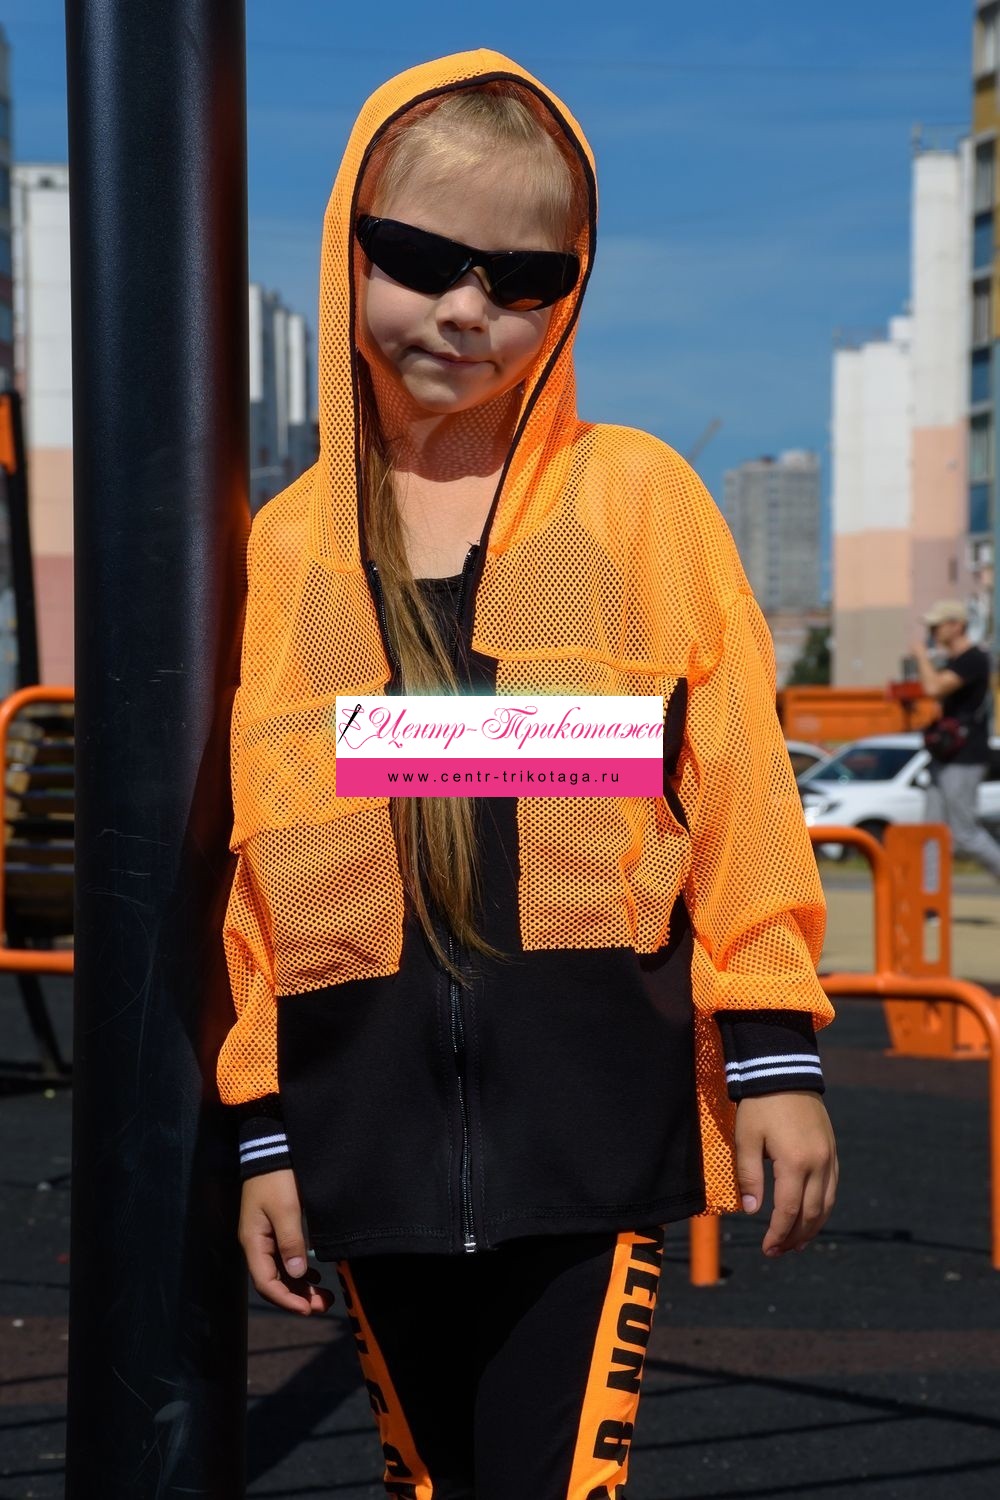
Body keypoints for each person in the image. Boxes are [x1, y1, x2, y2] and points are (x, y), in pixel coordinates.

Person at [217, 50, 838, 1498]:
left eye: (522, 278)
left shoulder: (637, 502)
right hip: (360, 1131)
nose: (465, 307)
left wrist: (773, 1056)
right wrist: (264, 1134)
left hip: (589, 1122)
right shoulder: (291, 549)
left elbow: (735, 780)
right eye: (421, 257)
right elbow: (257, 864)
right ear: (349, 246)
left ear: (572, 290)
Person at [914, 599, 1000, 880]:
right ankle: (929, 897)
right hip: (944, 756)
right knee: (931, 831)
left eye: (937, 625)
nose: (932, 631)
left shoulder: (973, 658)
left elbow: (933, 688)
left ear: (957, 625)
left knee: (964, 833)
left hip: (965, 759)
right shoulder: (953, 661)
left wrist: (921, 656)